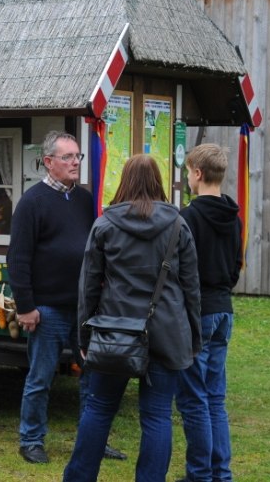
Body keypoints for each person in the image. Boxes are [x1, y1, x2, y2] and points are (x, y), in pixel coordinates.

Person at [64, 154, 202, 482]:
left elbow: (87, 288)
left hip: (115, 332)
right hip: (167, 334)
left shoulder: (105, 224)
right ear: (158, 182)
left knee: (99, 410)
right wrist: (194, 338)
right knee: (156, 417)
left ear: (124, 181)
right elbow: (191, 288)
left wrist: (84, 338)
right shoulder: (178, 224)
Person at [7, 130, 124, 465]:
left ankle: (94, 442)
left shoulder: (87, 200)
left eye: (78, 157)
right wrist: (26, 306)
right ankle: (31, 440)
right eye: (68, 157)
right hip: (47, 309)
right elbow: (18, 258)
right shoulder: (32, 202)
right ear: (48, 162)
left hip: (86, 309)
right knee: (40, 379)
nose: (75, 163)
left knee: (92, 377)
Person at [176, 144, 242, 482]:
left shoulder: (186, 218)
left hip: (197, 314)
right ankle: (221, 473)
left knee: (193, 400)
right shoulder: (233, 216)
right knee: (215, 398)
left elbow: (178, 270)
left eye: (188, 172)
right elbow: (235, 268)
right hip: (223, 311)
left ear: (198, 174)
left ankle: (200, 474)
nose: (187, 178)